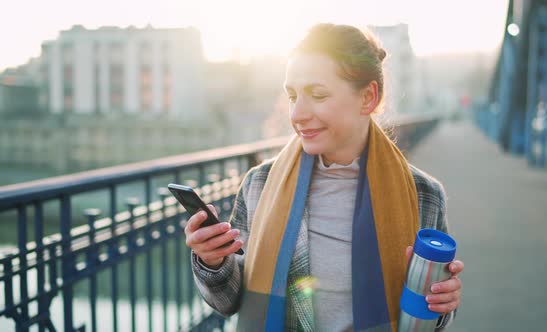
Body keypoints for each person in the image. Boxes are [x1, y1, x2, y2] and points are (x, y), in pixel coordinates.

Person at [184, 23, 464, 332]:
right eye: (292, 96)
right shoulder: (259, 184)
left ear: (368, 97)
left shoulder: (423, 194)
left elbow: (431, 318)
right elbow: (229, 301)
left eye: (317, 95)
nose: (297, 114)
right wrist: (213, 262)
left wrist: (441, 303)